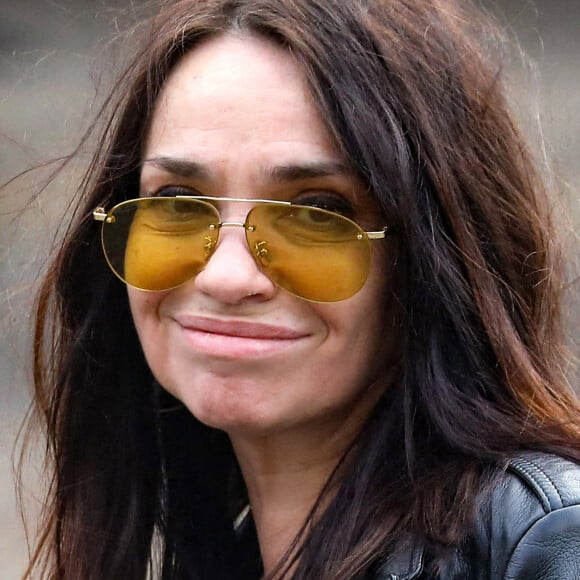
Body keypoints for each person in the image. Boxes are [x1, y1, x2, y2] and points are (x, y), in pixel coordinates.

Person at [23, 0, 580, 578]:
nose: (226, 277)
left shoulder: (544, 541)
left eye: (318, 210)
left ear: (434, 256)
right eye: (177, 201)